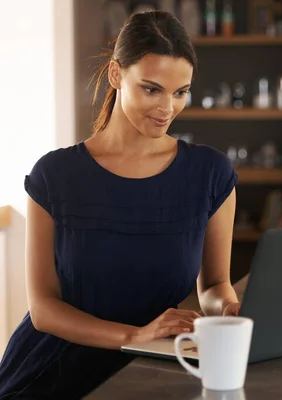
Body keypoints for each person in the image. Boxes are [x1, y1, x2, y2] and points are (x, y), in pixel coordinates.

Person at [0, 10, 240, 399]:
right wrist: (136, 336)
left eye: (180, 92)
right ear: (116, 75)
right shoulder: (54, 176)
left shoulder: (210, 173)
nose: (168, 108)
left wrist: (229, 311)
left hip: (154, 372)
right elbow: (43, 309)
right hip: (51, 376)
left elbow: (214, 284)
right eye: (151, 89)